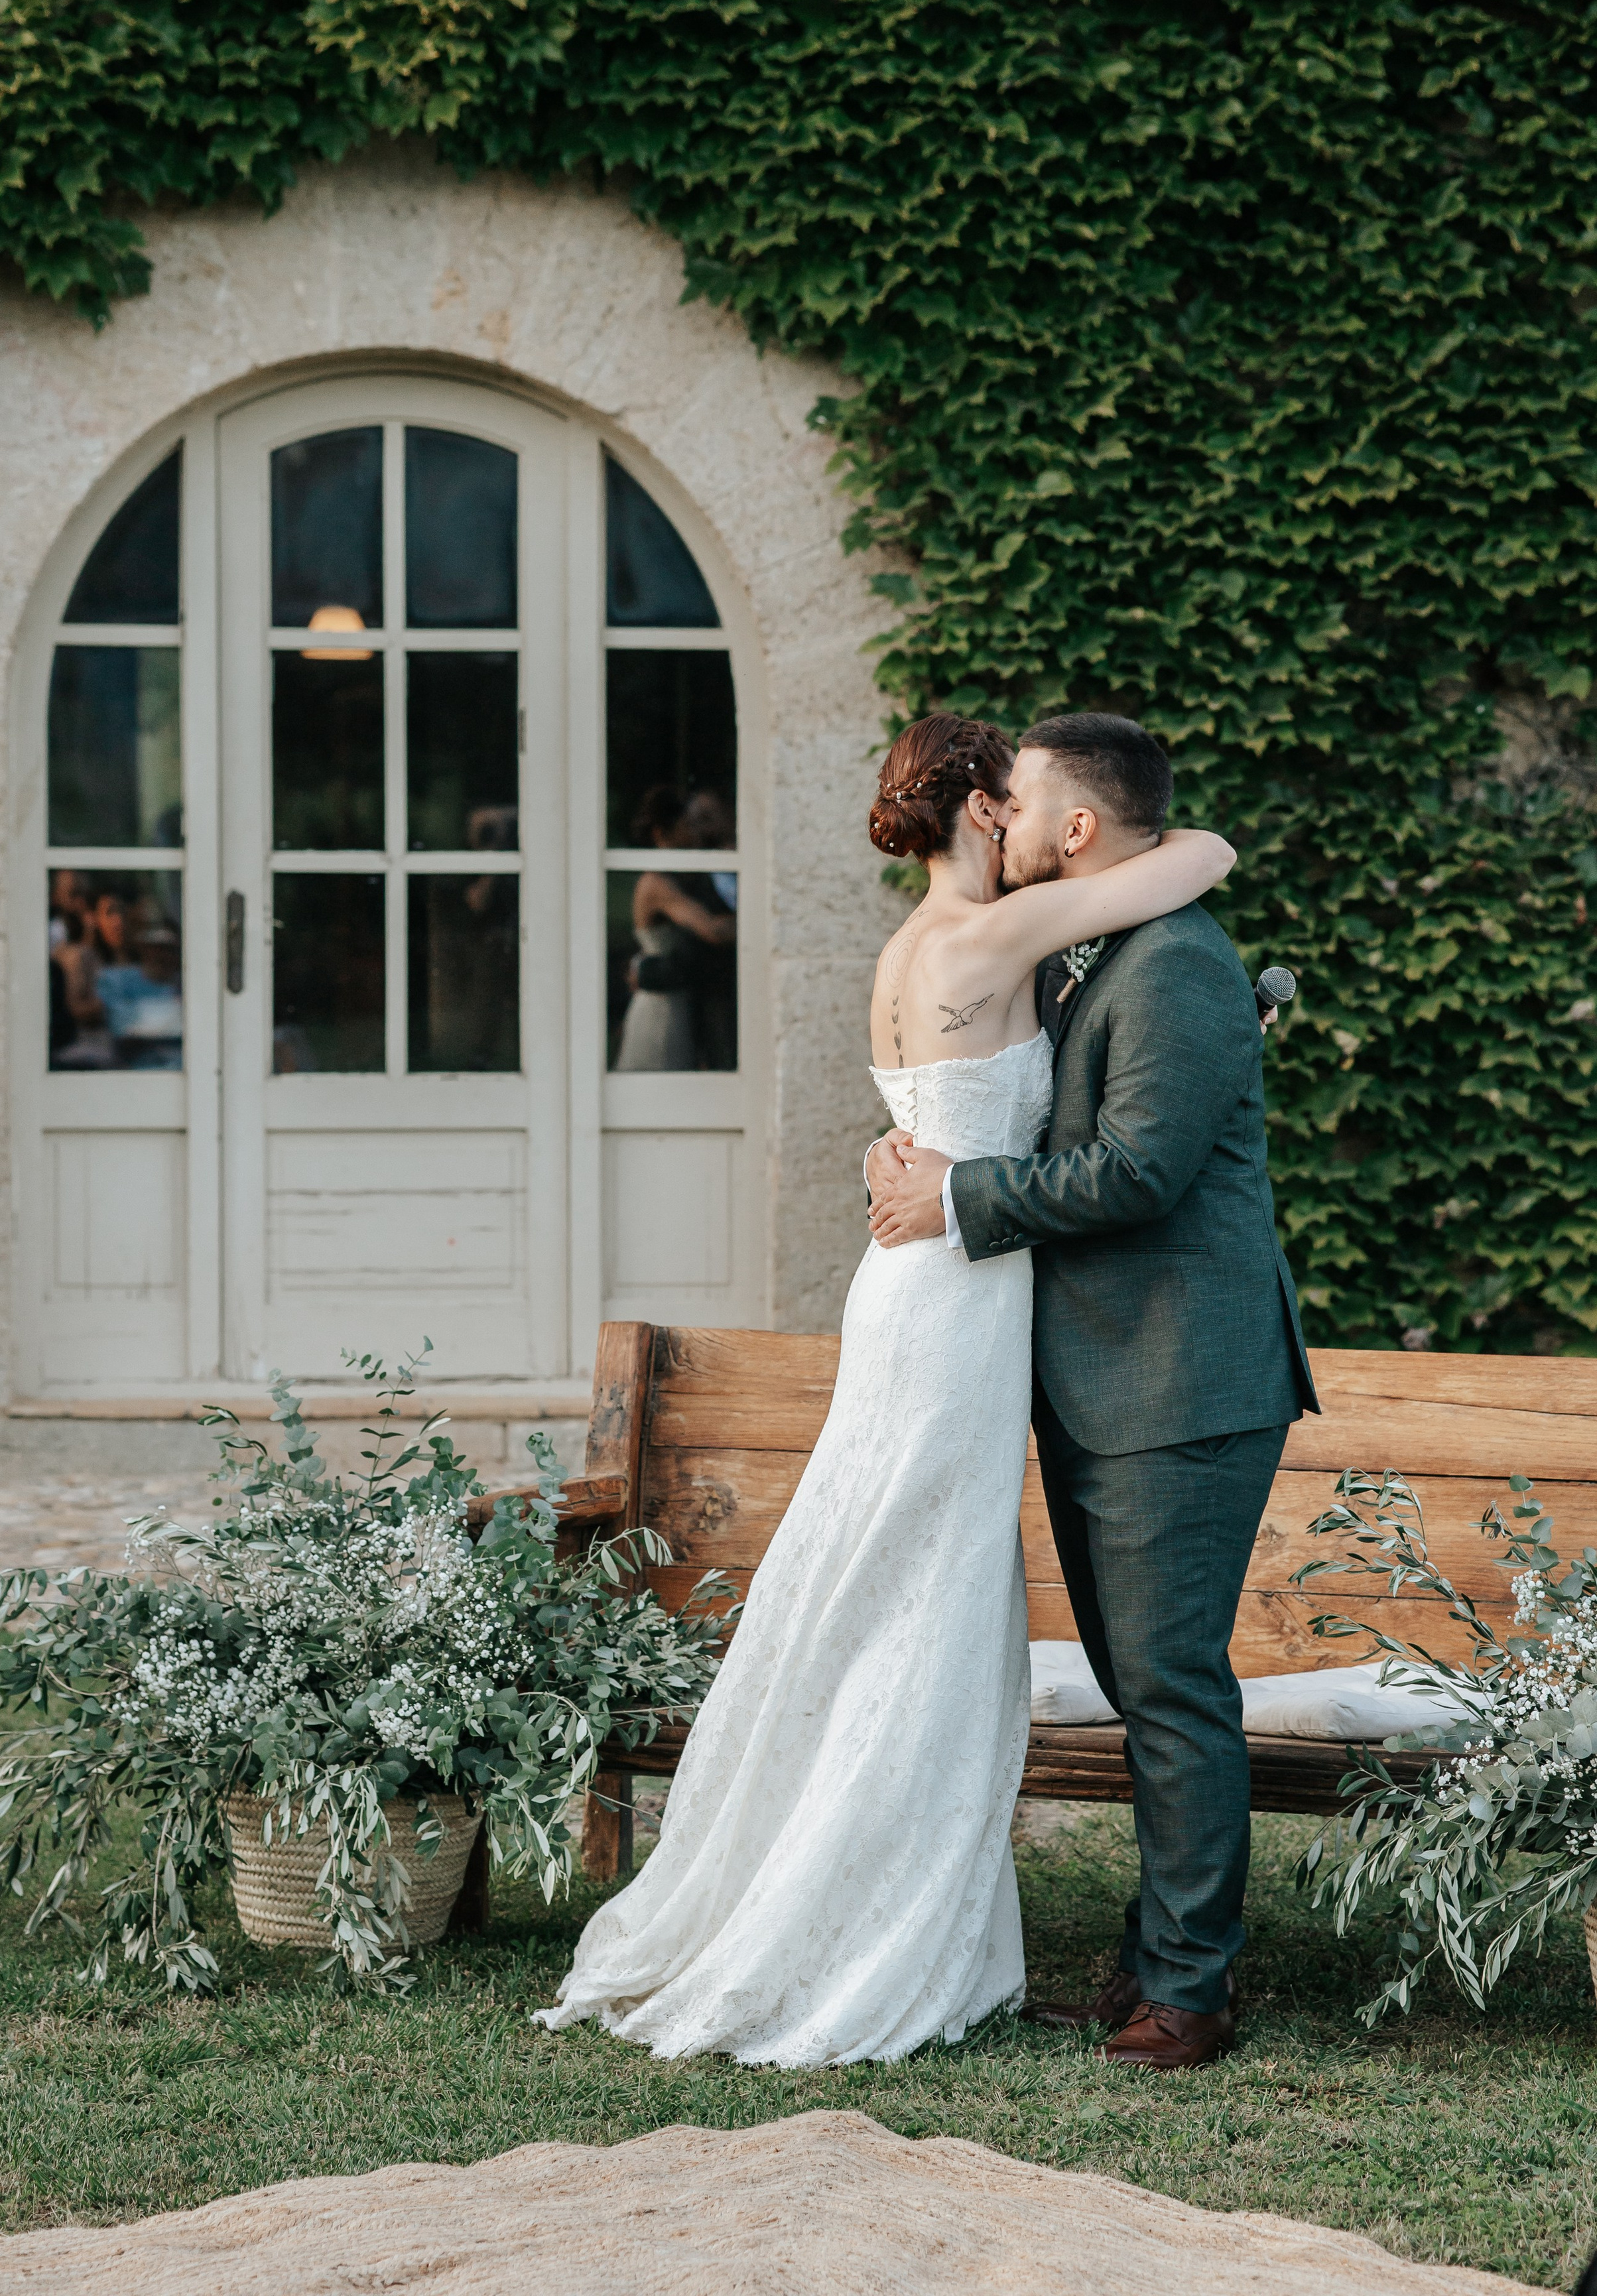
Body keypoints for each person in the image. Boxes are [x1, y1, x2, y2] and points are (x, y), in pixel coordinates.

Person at [535, 712, 1236, 2067]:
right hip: (951, 1297)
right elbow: (1187, 860)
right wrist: (1198, 832)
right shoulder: (985, 939)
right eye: (1011, 793)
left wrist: (937, 1175)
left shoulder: (916, 948)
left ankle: (932, 1915)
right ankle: (867, 1918)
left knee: (893, 1583)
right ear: (983, 812)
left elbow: (988, 1105)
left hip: (931, 1286)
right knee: (910, 1595)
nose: (1027, 815)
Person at [867, 712, 1318, 2072]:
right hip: (1102, 1376)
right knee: (1142, 1683)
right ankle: (1146, 1966)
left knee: (1171, 1689)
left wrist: (951, 1195)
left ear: (1076, 827)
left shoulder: (1173, 964)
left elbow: (1135, 1174)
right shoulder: (1100, 949)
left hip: (1178, 1381)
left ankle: (1190, 1992)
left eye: (1022, 797)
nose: (996, 814)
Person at [612, 787, 737, 1072]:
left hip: (683, 1003)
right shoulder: (657, 883)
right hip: (662, 1008)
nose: (696, 833)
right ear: (662, 833)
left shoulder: (686, 876)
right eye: (689, 825)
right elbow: (713, 931)